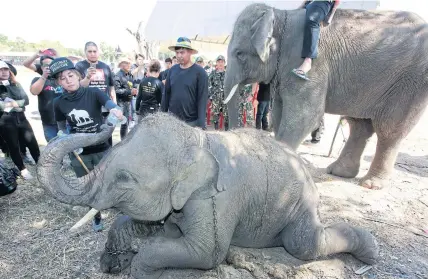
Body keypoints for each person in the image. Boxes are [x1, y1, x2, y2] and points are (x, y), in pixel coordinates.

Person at [50, 57, 124, 232]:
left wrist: (115, 110)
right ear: (58, 82)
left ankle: (119, 206)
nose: (68, 80)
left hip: (102, 148)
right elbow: (61, 127)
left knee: (109, 179)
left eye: (70, 75)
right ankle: (96, 216)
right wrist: (64, 137)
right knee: (88, 187)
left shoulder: (93, 93)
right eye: (62, 78)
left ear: (77, 75)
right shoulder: (58, 103)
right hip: (79, 153)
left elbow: (111, 105)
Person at [0, 61, 40, 179]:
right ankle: (23, 169)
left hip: (21, 119)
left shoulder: (16, 84)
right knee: (13, 146)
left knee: (32, 142)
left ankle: (40, 164)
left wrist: (11, 103)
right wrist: (15, 104)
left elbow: (26, 101)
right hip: (5, 121)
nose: (4, 72)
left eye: (6, 69)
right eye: (1, 70)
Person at [161, 37, 208, 129]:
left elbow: (202, 99)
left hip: (191, 124)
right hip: (172, 121)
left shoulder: (200, 73)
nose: (179, 55)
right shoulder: (172, 70)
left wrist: (201, 125)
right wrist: (162, 116)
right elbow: (166, 94)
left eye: (182, 52)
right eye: (177, 53)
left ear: (190, 52)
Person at [75, 41, 116, 145]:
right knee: (93, 133)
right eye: (90, 51)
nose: (92, 53)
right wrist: (88, 76)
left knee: (107, 132)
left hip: (105, 106)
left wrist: (114, 104)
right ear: (85, 52)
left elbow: (111, 86)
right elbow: (79, 86)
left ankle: (107, 153)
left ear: (98, 52)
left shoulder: (105, 66)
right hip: (87, 106)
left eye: (95, 51)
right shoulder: (79, 66)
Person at [292, 0, 340, 81]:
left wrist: (332, 14)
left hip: (323, 3)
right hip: (310, 2)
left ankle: (308, 61)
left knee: (312, 20)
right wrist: (302, 5)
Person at [30, 55, 63, 142]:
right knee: (52, 148)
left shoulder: (62, 79)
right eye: (46, 65)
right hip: (48, 122)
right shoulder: (38, 79)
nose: (49, 67)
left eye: (51, 64)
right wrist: (44, 76)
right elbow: (34, 92)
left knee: (69, 148)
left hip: (65, 122)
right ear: (41, 67)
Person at [114, 57, 137, 140]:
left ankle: (124, 141)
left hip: (128, 102)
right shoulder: (117, 75)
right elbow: (117, 91)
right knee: (117, 123)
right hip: (120, 103)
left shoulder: (130, 75)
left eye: (129, 63)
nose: (128, 65)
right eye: (126, 63)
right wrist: (129, 91)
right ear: (121, 65)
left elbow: (133, 85)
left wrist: (134, 90)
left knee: (126, 123)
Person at [208, 55, 227, 130]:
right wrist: (211, 96)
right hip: (216, 99)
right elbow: (209, 85)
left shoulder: (227, 74)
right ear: (216, 63)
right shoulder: (213, 74)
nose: (220, 63)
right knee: (216, 116)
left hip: (226, 99)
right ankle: (216, 131)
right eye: (219, 62)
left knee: (226, 116)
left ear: (224, 63)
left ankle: (227, 132)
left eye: (222, 62)